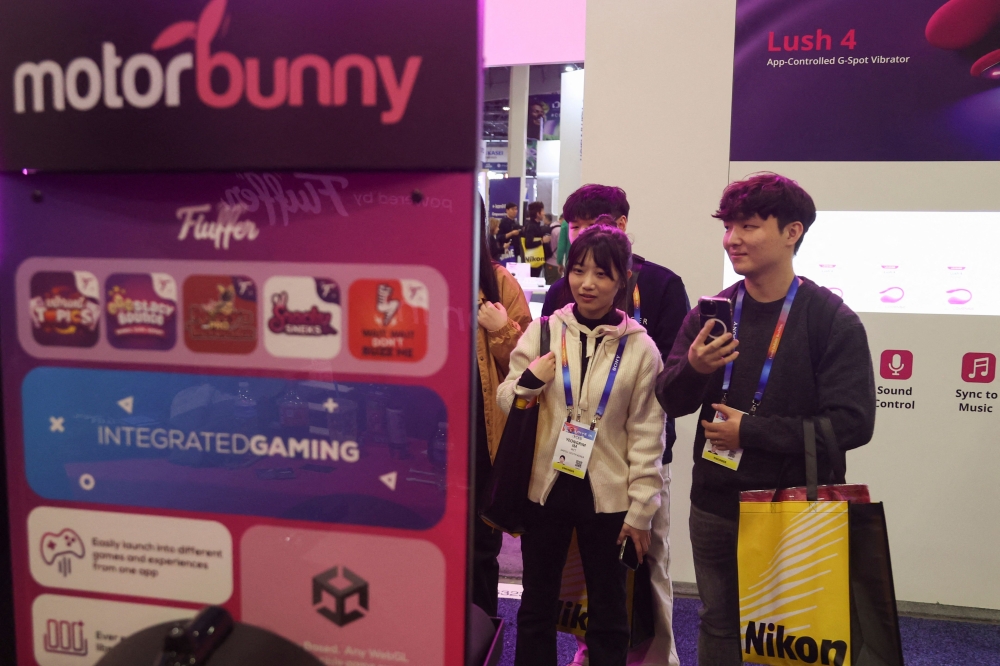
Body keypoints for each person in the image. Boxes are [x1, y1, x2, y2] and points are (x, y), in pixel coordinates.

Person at [655, 173, 876, 666]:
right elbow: (669, 400)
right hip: (716, 503)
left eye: (749, 226)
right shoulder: (713, 312)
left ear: (792, 231)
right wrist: (694, 368)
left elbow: (853, 423)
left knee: (793, 633)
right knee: (719, 622)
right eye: (729, 227)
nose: (732, 239)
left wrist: (749, 432)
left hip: (793, 505)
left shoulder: (830, 319)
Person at [498, 224, 666, 666]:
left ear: (623, 279)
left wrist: (641, 510)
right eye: (578, 271)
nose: (587, 283)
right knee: (536, 605)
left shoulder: (641, 349)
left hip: (608, 498)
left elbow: (648, 435)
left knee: (609, 612)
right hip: (545, 488)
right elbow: (505, 399)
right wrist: (530, 383)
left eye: (602, 274)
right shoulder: (545, 331)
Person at [542, 184, 688, 666]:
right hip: (576, 458)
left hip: (640, 456)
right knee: (585, 576)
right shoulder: (564, 290)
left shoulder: (664, 285)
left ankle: (656, 658)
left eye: (594, 224)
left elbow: (668, 383)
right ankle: (592, 650)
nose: (583, 236)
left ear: (622, 225)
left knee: (647, 564)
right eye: (576, 227)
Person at [472, 205, 532, 618]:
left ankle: (478, 637)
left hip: (481, 435)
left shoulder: (495, 281)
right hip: (420, 433)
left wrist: (499, 330)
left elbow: (529, 366)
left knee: (478, 549)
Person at [521, 201, 552, 277]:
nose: (544, 213)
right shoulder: (531, 226)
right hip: (533, 261)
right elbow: (528, 244)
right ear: (538, 213)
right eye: (542, 211)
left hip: (536, 260)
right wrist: (542, 241)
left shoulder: (535, 225)